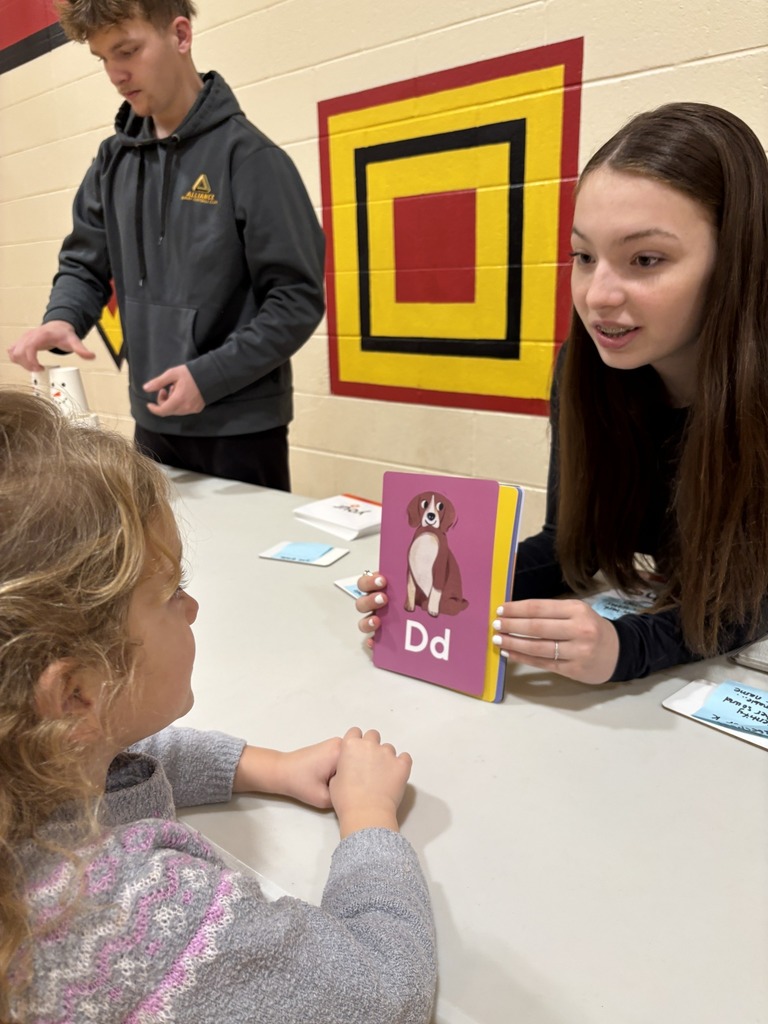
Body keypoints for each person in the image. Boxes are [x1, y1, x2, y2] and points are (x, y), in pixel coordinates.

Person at [0, 391, 436, 1023]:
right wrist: (369, 818)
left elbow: (119, 753)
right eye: (171, 591)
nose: (193, 608)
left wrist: (269, 767)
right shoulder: (128, 920)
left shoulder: (29, 763)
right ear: (73, 695)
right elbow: (385, 993)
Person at [355, 102, 768, 686]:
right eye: (583, 256)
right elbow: (571, 547)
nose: (598, 295)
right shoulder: (586, 366)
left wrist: (627, 648)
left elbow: (755, 598)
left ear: (736, 261)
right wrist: (433, 592)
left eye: (645, 260)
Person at [7, 0, 325, 492]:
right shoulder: (112, 161)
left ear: (180, 35)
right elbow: (84, 263)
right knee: (162, 566)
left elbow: (296, 300)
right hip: (152, 420)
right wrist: (63, 317)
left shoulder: (252, 159)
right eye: (103, 59)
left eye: (127, 51)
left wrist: (211, 376)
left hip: (239, 429)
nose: (116, 73)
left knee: (242, 566)